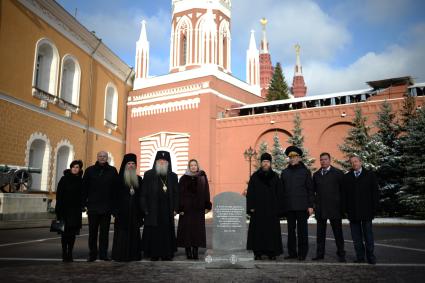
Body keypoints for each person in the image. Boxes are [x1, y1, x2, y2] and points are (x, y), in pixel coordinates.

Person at [141, 151, 179, 261]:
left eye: (164, 161)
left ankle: (167, 253)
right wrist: (145, 209)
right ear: (156, 162)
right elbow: (143, 194)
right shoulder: (148, 174)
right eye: (160, 161)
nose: (162, 162)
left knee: (166, 232)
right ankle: (154, 253)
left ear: (168, 162)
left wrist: (176, 208)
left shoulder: (172, 176)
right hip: (153, 209)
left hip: (167, 209)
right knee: (154, 232)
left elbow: (176, 194)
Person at [82, 151, 118, 262]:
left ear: (107, 158)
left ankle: (103, 254)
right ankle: (92, 254)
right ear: (97, 157)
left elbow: (116, 190)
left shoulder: (112, 171)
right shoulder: (89, 170)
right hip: (93, 207)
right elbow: (84, 188)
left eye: (104, 156)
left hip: (107, 207)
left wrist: (114, 207)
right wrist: (85, 203)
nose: (102, 158)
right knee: (92, 233)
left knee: (104, 233)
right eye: (100, 156)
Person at [246, 153, 284, 260]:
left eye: (267, 162)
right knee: (258, 232)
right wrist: (251, 207)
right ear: (261, 163)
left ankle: (271, 252)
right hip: (258, 209)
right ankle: (257, 252)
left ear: (270, 163)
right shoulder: (255, 176)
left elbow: (280, 193)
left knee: (271, 232)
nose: (265, 163)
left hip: (271, 209)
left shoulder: (275, 176)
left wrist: (279, 209)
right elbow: (250, 193)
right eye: (264, 162)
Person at [281, 146, 314, 261]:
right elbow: (282, 190)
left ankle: (302, 253)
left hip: (302, 206)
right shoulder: (284, 172)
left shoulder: (305, 172)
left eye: (294, 157)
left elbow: (310, 189)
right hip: (289, 207)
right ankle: (292, 253)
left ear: (299, 158)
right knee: (290, 231)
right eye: (290, 157)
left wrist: (310, 205)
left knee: (302, 232)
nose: (292, 159)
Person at [344, 155, 379, 264]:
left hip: (366, 211)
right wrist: (346, 210)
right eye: (352, 162)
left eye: (356, 161)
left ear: (361, 162)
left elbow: (375, 193)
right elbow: (345, 194)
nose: (354, 163)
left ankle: (370, 257)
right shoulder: (347, 177)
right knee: (356, 237)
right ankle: (360, 257)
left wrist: (374, 209)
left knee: (368, 235)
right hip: (353, 212)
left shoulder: (370, 175)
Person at [312, 152, 346, 262]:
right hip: (321, 209)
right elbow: (313, 192)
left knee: (338, 234)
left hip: (334, 209)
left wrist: (342, 207)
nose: (323, 161)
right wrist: (314, 206)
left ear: (330, 160)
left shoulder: (338, 173)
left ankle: (341, 254)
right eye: (321, 159)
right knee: (320, 235)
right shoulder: (316, 175)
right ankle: (320, 254)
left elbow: (343, 192)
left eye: (325, 159)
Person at [176, 159, 212, 260]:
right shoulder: (183, 178)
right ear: (189, 167)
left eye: (195, 165)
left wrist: (207, 205)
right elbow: (180, 194)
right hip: (186, 210)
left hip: (198, 209)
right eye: (191, 165)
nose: (193, 167)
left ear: (197, 166)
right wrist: (180, 208)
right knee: (187, 231)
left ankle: (195, 251)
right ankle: (188, 251)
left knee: (197, 231)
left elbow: (206, 192)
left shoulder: (202, 177)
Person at [111, 153, 143, 262]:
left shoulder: (138, 179)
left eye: (133, 163)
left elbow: (141, 197)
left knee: (134, 234)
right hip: (121, 212)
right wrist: (115, 211)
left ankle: (134, 255)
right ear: (125, 165)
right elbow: (113, 196)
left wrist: (141, 213)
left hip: (135, 212)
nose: (131, 165)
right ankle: (120, 255)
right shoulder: (118, 179)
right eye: (129, 163)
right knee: (122, 235)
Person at [55, 160, 84, 262]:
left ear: (80, 169)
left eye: (77, 167)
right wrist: (58, 209)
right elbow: (59, 195)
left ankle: (70, 253)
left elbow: (82, 196)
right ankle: (64, 252)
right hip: (64, 210)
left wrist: (82, 205)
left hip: (75, 211)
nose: (75, 169)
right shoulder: (64, 179)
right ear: (70, 168)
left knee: (72, 234)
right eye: (73, 167)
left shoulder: (81, 180)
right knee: (64, 234)